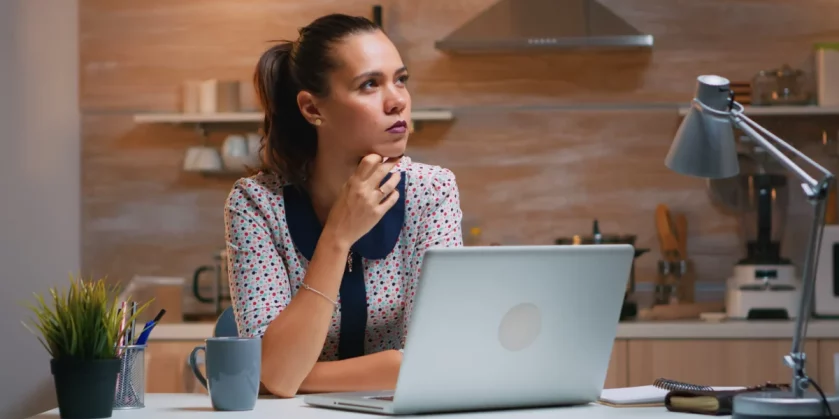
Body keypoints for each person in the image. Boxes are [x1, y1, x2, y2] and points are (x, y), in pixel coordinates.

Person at [223, 13, 464, 398]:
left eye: (400, 80)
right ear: (312, 109)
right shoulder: (256, 204)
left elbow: (436, 360)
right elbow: (275, 374)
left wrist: (296, 375)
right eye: (370, 84)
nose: (397, 100)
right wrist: (338, 235)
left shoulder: (431, 191)